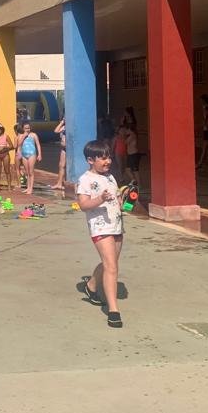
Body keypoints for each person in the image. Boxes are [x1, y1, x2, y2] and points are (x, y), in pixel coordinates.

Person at [75, 139, 125, 328]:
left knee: (110, 264)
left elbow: (117, 201)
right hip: (100, 227)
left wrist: (124, 201)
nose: (108, 161)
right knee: (111, 267)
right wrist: (100, 199)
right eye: (103, 158)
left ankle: (91, 286)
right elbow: (83, 205)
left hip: (117, 225)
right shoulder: (85, 180)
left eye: (108, 157)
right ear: (90, 160)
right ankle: (113, 310)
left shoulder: (111, 177)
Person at [15, 121, 42, 195]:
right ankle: (28, 187)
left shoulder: (33, 135)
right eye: (26, 128)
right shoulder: (21, 135)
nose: (27, 130)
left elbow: (38, 145)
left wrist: (39, 154)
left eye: (28, 128)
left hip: (32, 154)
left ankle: (31, 188)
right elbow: (19, 145)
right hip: (24, 154)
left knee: (31, 172)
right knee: (27, 172)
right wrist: (24, 136)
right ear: (23, 128)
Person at [0, 123, 15, 192]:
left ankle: (9, 186)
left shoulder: (6, 136)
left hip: (5, 155)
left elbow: (12, 146)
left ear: (2, 129)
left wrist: (5, 148)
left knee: (7, 171)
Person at [50, 118, 67, 192]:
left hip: (69, 149)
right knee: (61, 165)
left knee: (65, 166)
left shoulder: (70, 127)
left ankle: (63, 183)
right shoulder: (64, 127)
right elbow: (56, 130)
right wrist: (62, 123)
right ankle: (59, 183)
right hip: (64, 149)